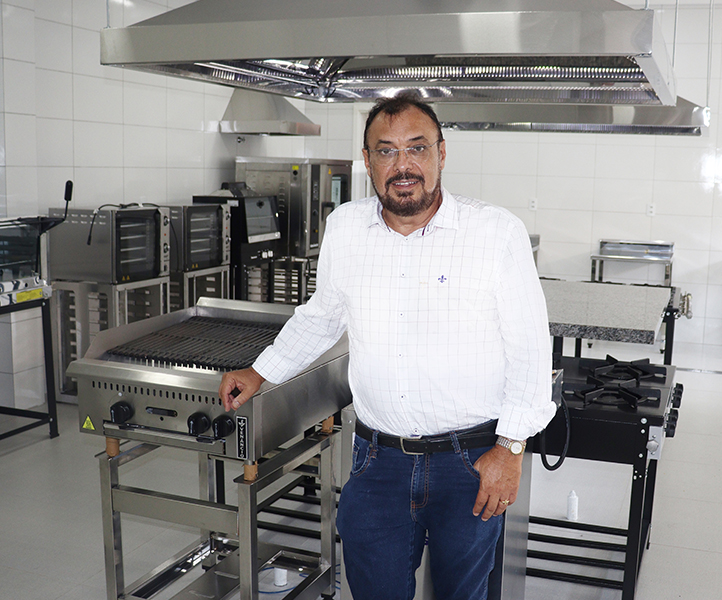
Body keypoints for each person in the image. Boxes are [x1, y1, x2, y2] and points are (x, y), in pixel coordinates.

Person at [218, 92, 554, 600]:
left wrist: (510, 449)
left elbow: (530, 347)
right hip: (378, 462)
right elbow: (322, 315)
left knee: (461, 595)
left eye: (417, 148)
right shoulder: (346, 228)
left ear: (442, 154)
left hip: (471, 461)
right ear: (368, 161)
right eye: (386, 150)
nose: (403, 165)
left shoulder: (495, 233)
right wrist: (261, 372)